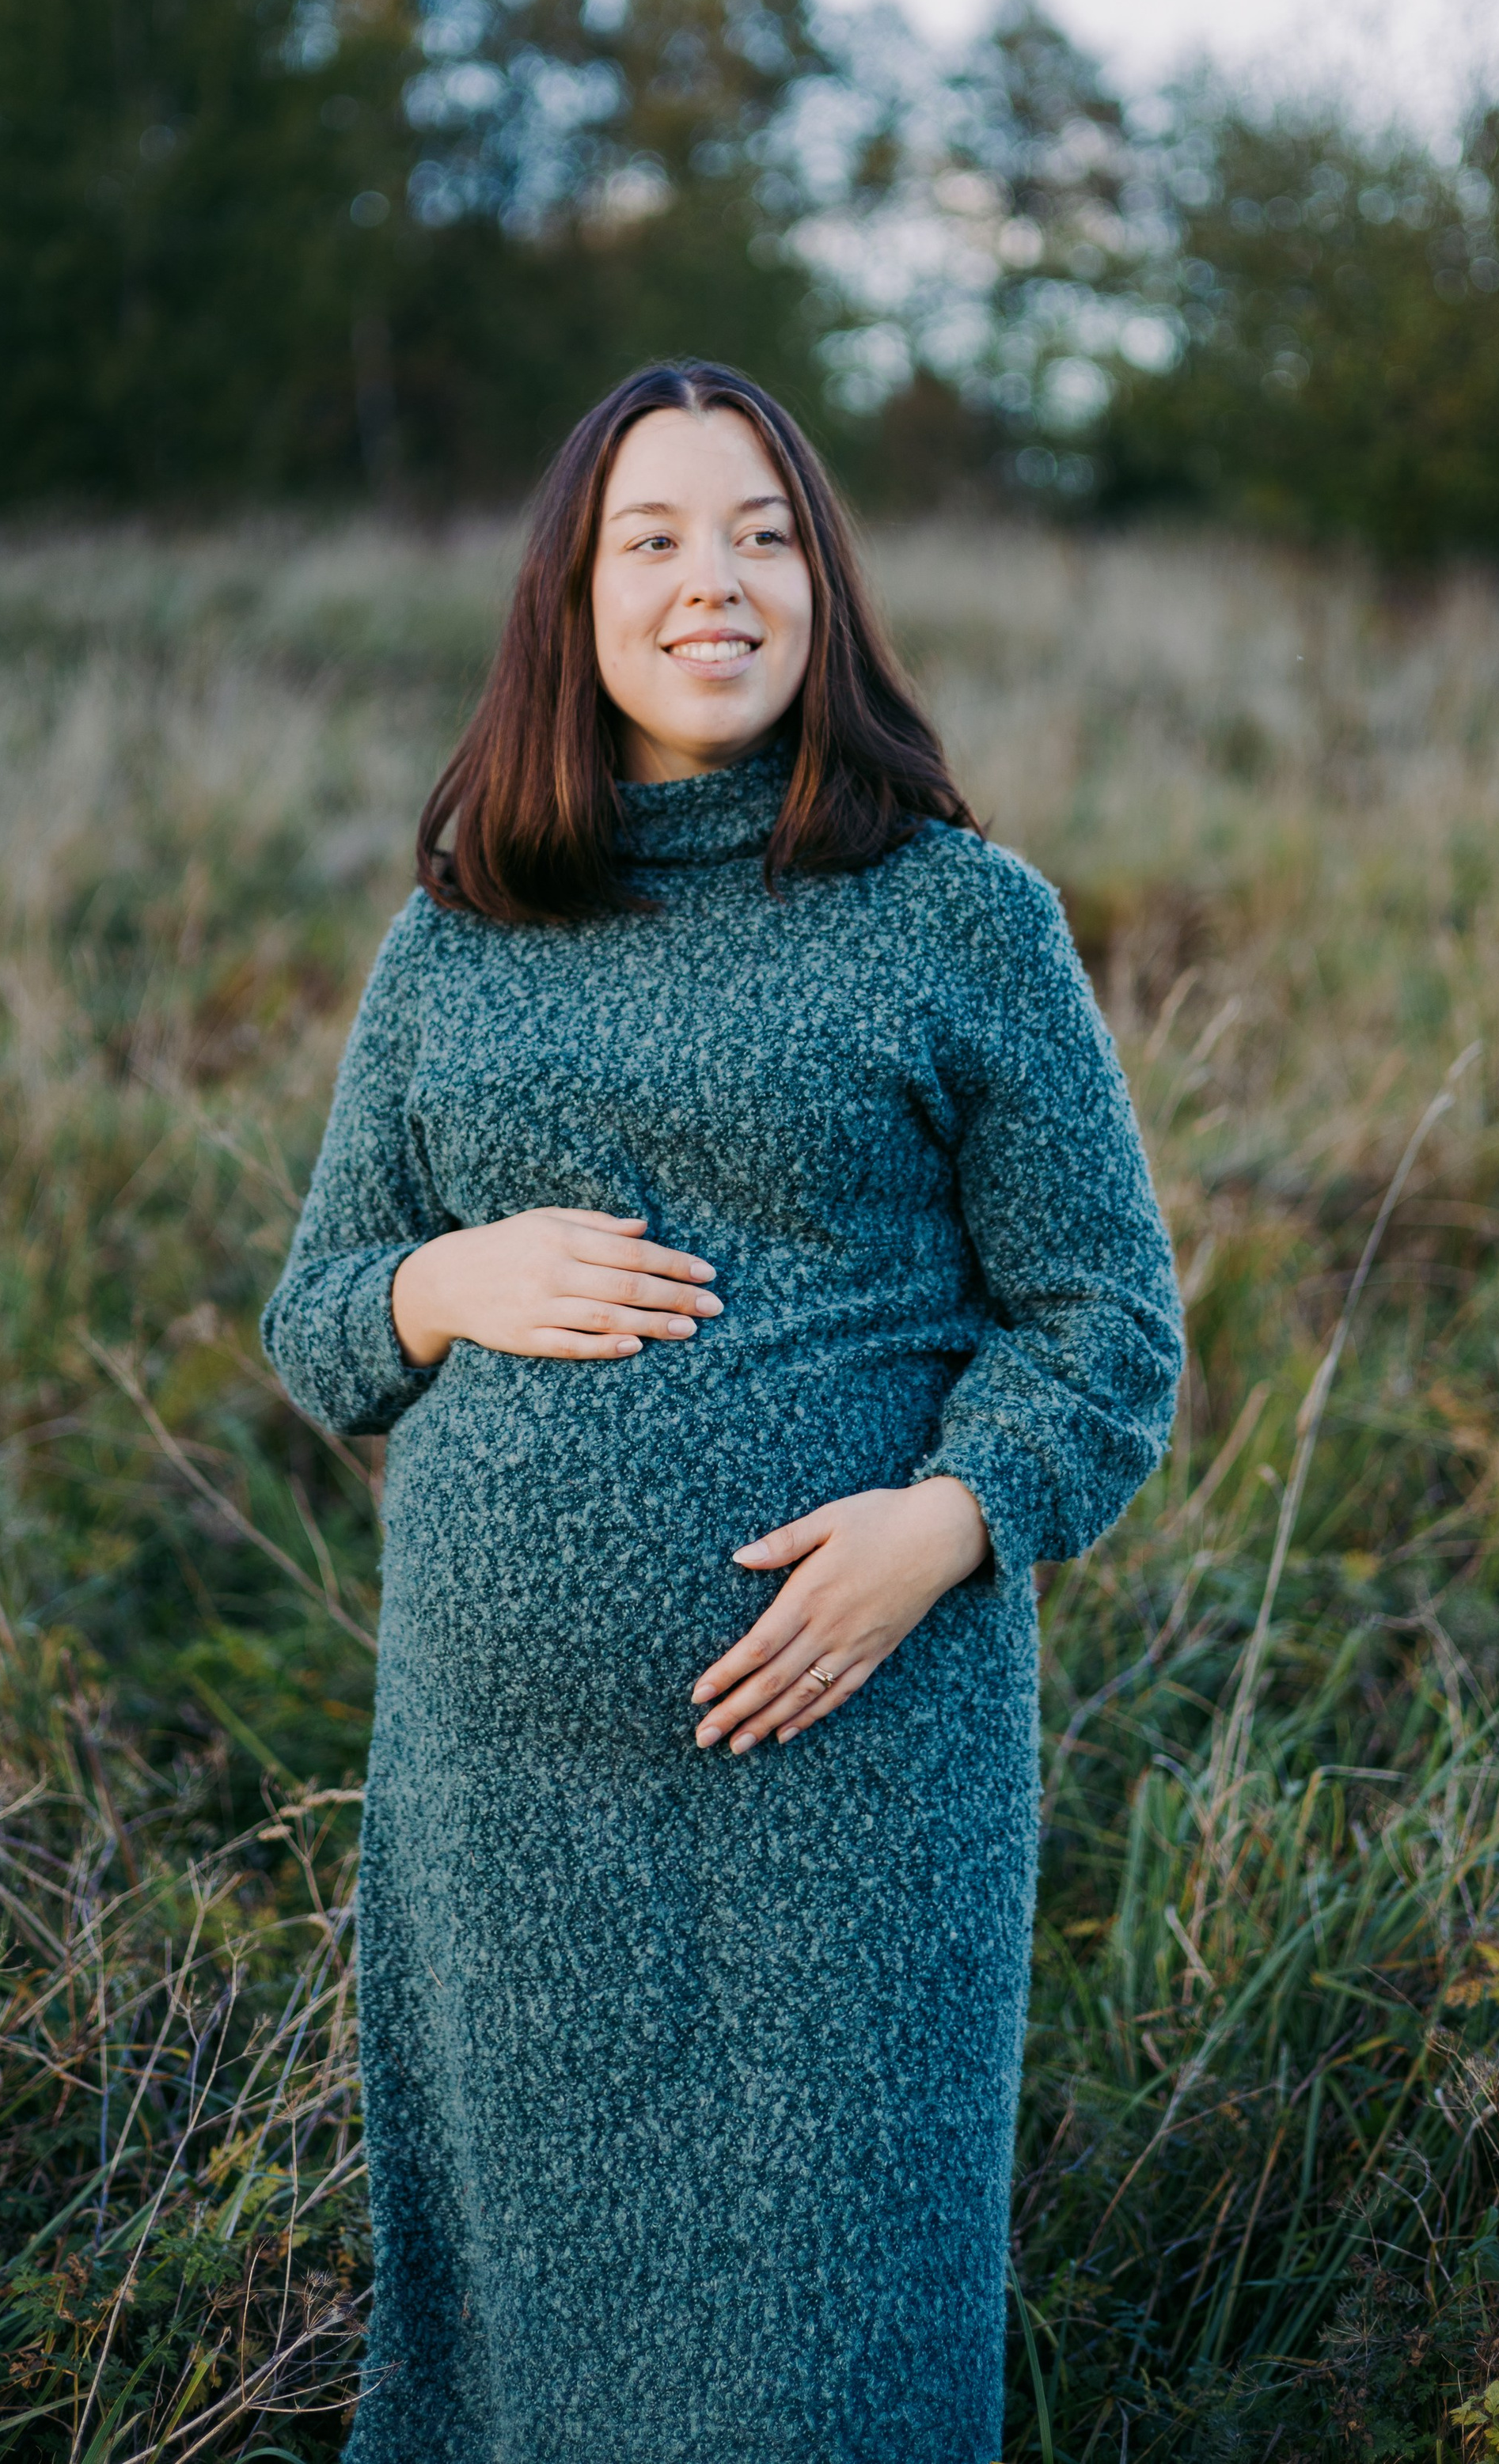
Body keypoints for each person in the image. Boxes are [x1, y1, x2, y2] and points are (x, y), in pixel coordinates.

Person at [263, 358, 1182, 2464]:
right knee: (527, 2369)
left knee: (824, 2362)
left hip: (852, 1787)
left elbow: (1105, 1325)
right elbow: (319, 1325)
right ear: (569, 602)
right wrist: (439, 1277)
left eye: (766, 533)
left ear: (826, 589)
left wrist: (942, 1526)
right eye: (656, 537)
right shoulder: (463, 934)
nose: (718, 581)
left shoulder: (959, 915)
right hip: (506, 1817)